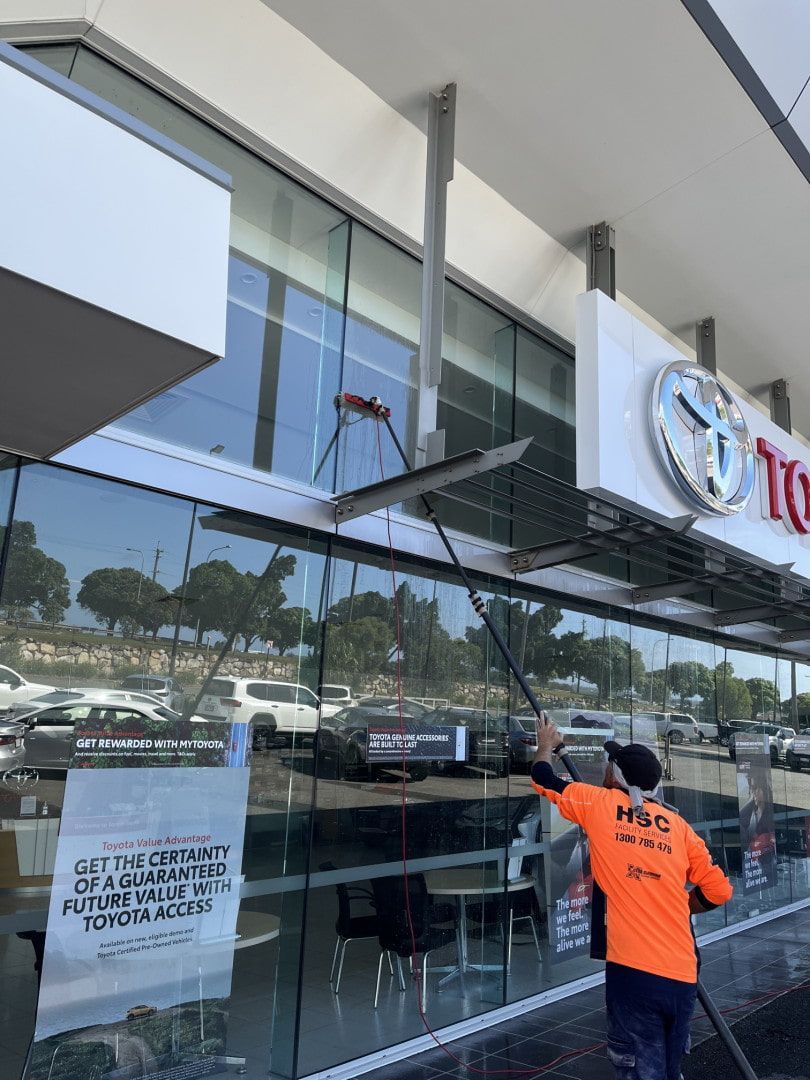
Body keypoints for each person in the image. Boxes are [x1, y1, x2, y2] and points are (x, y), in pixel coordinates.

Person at [531, 717, 733, 1080]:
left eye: (610, 766)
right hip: (683, 975)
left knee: (641, 1072)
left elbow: (542, 779)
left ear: (614, 777)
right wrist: (678, 904)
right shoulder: (679, 826)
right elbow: (719, 890)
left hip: (634, 976)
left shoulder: (599, 805)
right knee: (670, 1071)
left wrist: (545, 743)